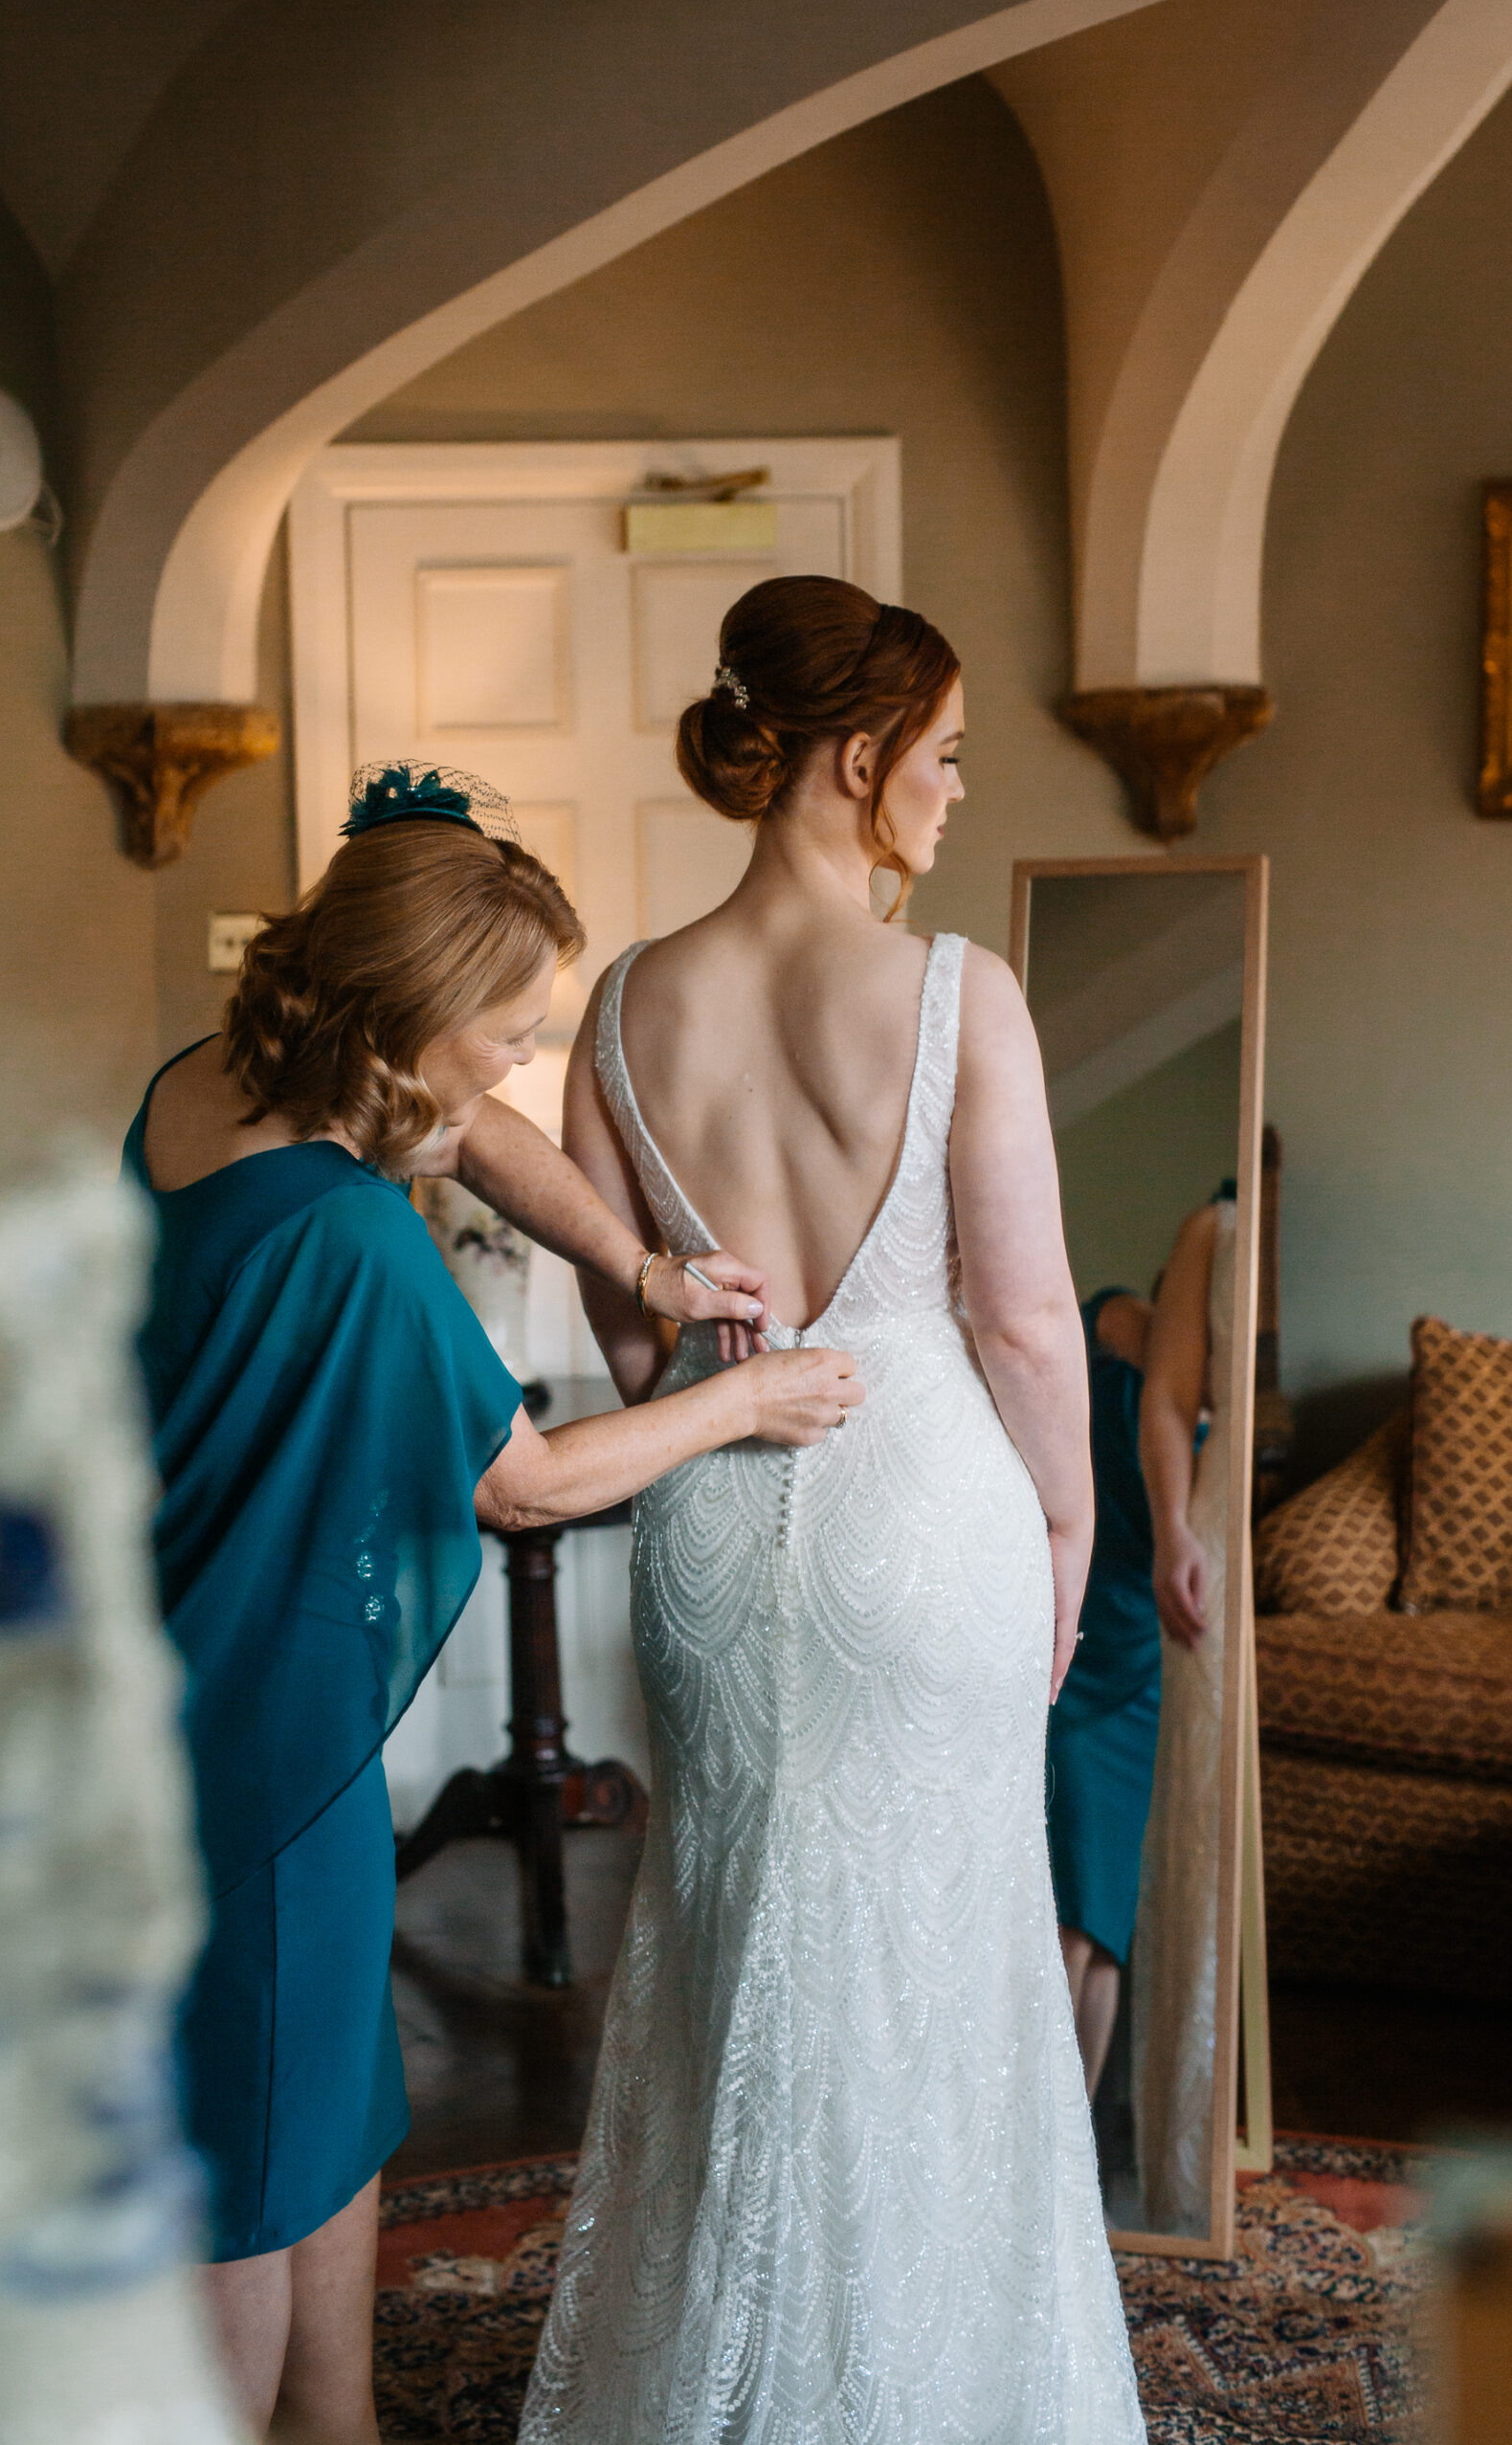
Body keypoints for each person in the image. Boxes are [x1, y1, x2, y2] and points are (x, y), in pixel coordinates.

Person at [122, 761, 862, 2445]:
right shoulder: (352, 1241)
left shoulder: (197, 1092)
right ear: (402, 1029)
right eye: (510, 1027)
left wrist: (646, 1271)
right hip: (259, 1729)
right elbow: (524, 1484)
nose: (524, 1061)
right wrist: (746, 1401)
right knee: (248, 2145)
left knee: (325, 2101)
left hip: (176, 1673)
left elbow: (478, 1135)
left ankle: (339, 2421)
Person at [520, 578, 1145, 2442]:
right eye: (942, 757)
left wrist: (727, 1374)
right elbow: (1028, 1319)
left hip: (710, 1524)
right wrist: (1070, 1537)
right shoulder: (955, 992)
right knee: (934, 1976)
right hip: (922, 1509)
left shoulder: (621, 1004)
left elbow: (643, 1363)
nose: (953, 793)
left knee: (730, 1962)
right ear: (856, 759)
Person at [1132, 1188, 1237, 2234]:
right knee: (1204, 1838)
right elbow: (1167, 1398)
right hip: (1218, 1532)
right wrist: (1174, 1533)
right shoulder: (1213, 1227)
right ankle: (1188, 2182)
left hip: (1290, 1530)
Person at [1047, 1287, 1161, 2100]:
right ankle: (1041, 2134)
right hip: (1078, 1636)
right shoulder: (1111, 1385)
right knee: (1069, 1918)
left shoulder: (1200, 1423)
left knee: (1103, 1923)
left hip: (1142, 1654)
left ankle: (1073, 2139)